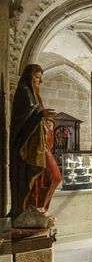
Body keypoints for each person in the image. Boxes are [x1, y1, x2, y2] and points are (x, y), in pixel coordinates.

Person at [9, 64, 61, 220]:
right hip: (30, 148)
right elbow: (22, 119)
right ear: (29, 76)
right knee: (51, 177)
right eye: (37, 77)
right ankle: (33, 211)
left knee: (48, 178)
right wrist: (40, 114)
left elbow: (36, 116)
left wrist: (47, 121)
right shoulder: (24, 92)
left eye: (40, 78)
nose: (40, 81)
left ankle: (39, 210)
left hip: (39, 146)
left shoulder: (33, 95)